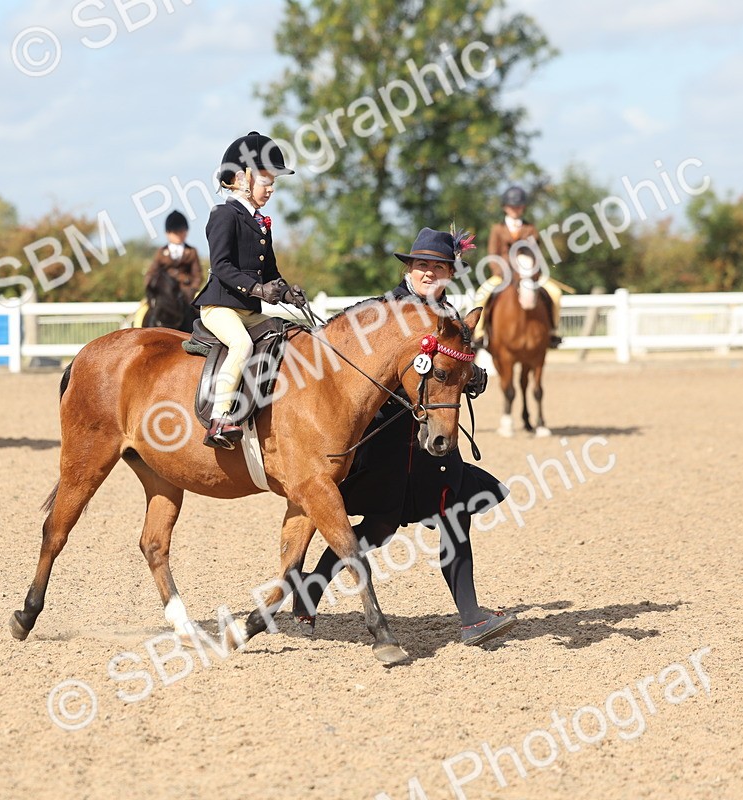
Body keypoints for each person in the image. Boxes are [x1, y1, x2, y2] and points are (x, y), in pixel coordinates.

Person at [291, 227, 517, 647]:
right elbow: (346, 360)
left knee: (454, 511)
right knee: (379, 526)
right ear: (410, 269)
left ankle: (470, 618)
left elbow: (455, 367)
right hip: (386, 439)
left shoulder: (451, 317)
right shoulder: (381, 312)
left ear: (450, 273)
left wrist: (472, 376)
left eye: (438, 267)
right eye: (422, 266)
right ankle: (309, 591)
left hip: (432, 440)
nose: (429, 273)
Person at [192, 131, 308, 448]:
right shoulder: (223, 215)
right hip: (220, 307)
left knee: (291, 336)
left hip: (248, 311)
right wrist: (257, 290)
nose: (271, 188)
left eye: (273, 182)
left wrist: (286, 294)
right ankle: (219, 419)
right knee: (241, 345)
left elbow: (270, 271)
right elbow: (222, 266)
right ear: (243, 178)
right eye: (266, 180)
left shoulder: (260, 223)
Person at [472, 185, 562, 349]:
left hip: (529, 274)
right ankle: (479, 333)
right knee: (481, 295)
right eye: (512, 206)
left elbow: (536, 254)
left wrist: (533, 273)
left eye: (518, 206)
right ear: (505, 207)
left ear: (523, 207)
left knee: (555, 293)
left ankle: (553, 331)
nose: (515, 209)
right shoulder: (497, 229)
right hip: (503, 275)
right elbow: (493, 255)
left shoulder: (530, 229)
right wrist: (501, 273)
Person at [132, 210, 203, 327]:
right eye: (176, 232)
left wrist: (192, 288)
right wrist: (150, 287)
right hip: (164, 292)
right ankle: (138, 328)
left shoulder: (191, 251)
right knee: (142, 311)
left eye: (182, 231)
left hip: (186, 291)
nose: (180, 235)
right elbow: (151, 272)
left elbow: (198, 274)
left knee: (200, 309)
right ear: (168, 233)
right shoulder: (161, 252)